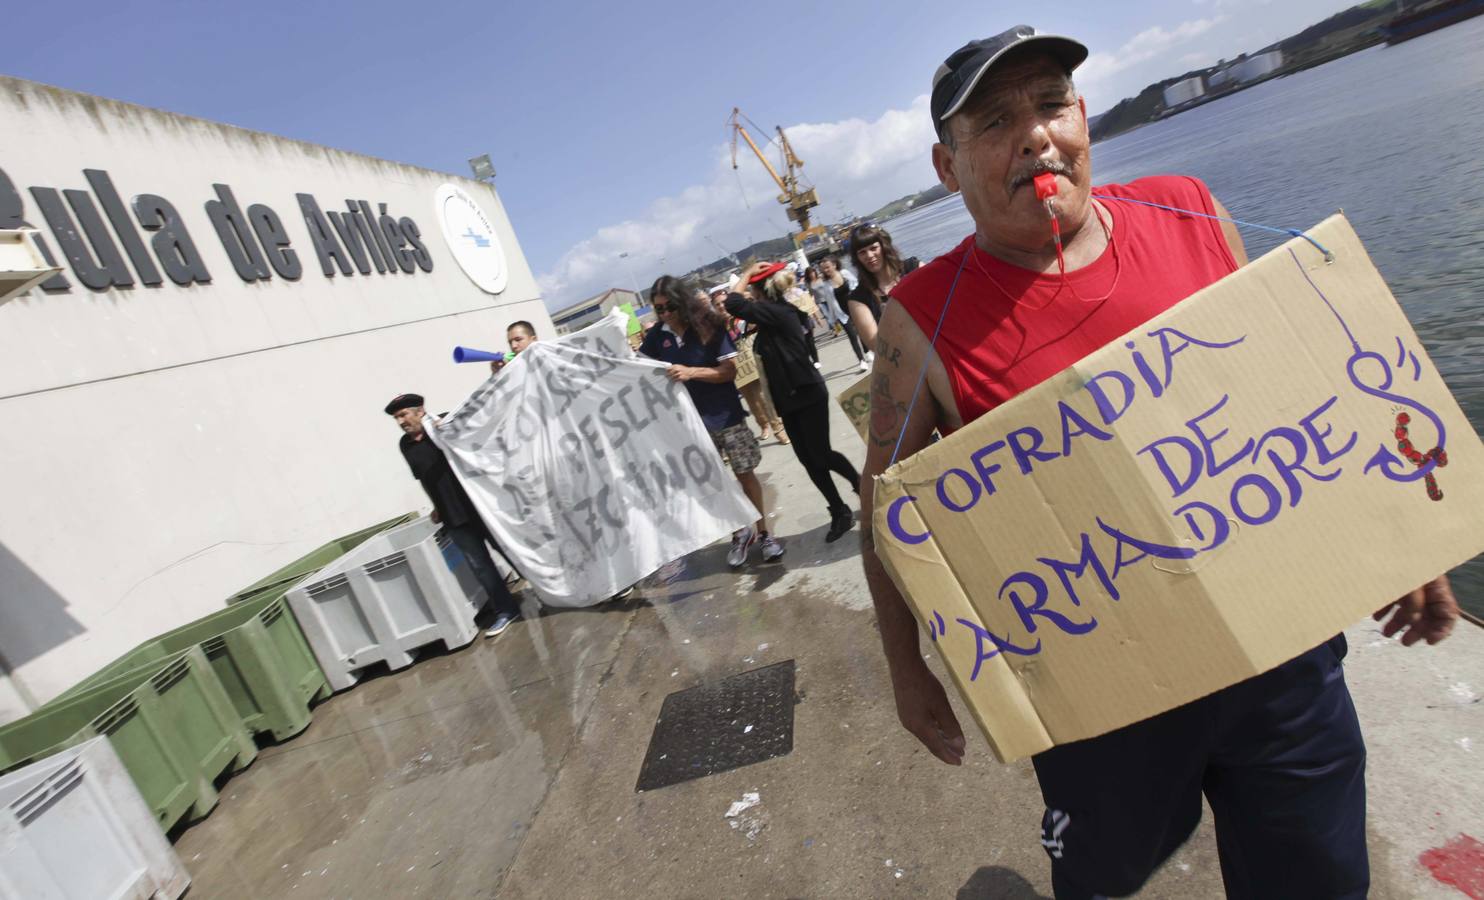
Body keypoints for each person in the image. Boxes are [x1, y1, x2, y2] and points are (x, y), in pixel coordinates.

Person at [858, 25, 1462, 900]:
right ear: (947, 169)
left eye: (1052, 104)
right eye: (994, 122)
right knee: (1103, 884)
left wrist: (1401, 534)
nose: (1034, 135)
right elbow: (889, 515)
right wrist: (907, 669)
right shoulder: (918, 321)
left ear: (1084, 118)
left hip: (1281, 655)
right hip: (1104, 703)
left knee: (1322, 880)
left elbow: (1297, 382)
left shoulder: (1189, 209)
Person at [641, 276, 785, 567]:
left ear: (681, 301)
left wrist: (692, 373)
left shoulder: (710, 325)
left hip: (726, 416)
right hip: (691, 426)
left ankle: (764, 533)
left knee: (745, 476)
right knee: (716, 483)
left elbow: (729, 372)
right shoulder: (658, 335)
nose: (665, 313)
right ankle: (738, 533)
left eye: (669, 306)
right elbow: (637, 369)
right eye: (659, 309)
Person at [726, 262, 860, 542]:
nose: (749, 292)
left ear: (761, 291)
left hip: (808, 393)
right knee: (808, 460)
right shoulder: (771, 317)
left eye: (752, 288)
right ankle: (839, 510)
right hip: (788, 399)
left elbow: (733, 303)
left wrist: (748, 272)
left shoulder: (777, 312)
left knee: (821, 454)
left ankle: (861, 486)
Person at [385, 393, 524, 637]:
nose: (400, 421)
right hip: (453, 517)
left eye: (404, 414)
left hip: (479, 506)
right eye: (396, 418)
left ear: (420, 411)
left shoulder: (445, 426)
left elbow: (478, 440)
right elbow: (424, 478)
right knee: (480, 566)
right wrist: (436, 506)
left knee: (510, 550)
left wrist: (447, 428)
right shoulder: (405, 445)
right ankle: (506, 610)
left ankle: (547, 589)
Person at [711, 285, 788, 444]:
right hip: (736, 367)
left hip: (751, 361)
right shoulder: (716, 327)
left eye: (723, 302)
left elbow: (754, 324)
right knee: (750, 400)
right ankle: (764, 424)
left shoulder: (739, 317)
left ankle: (777, 427)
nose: (721, 306)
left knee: (762, 395)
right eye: (717, 304)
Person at [843, 224, 918, 352]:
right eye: (862, 252)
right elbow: (876, 346)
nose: (869, 255)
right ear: (857, 258)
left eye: (873, 248)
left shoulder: (913, 268)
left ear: (884, 247)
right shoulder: (858, 299)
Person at [807, 265, 868, 371]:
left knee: (860, 331)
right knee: (852, 336)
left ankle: (866, 350)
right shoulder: (825, 283)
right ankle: (861, 360)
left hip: (853, 307)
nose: (825, 270)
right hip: (837, 311)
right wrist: (831, 318)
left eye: (827, 267)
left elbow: (855, 284)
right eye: (823, 269)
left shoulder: (844, 274)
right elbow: (828, 301)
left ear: (834, 265)